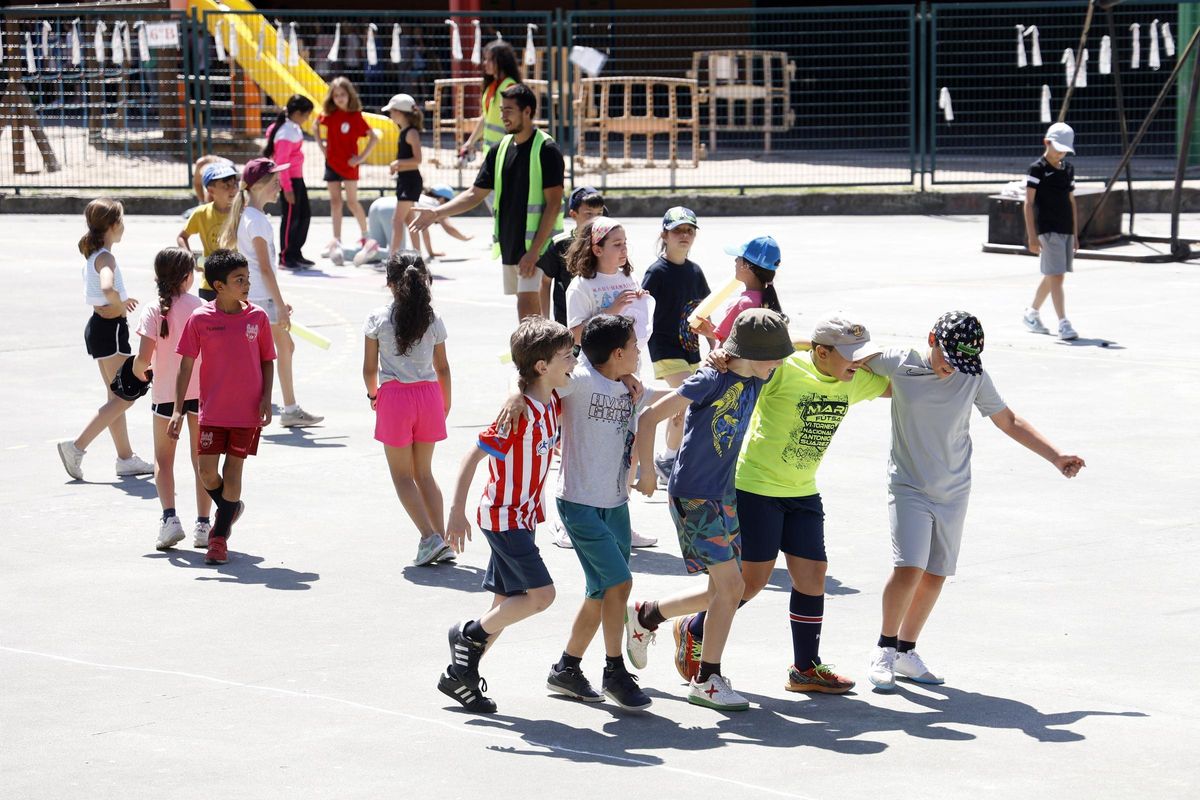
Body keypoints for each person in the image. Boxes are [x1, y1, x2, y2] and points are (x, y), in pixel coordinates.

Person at [640, 316, 889, 695]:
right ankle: (689, 627)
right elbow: (760, 345)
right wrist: (723, 353)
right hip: (753, 487)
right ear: (821, 351)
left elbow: (895, 382)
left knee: (813, 574)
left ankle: (804, 668)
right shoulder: (780, 370)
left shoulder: (852, 380)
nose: (858, 363)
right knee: (747, 584)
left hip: (802, 491)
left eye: (861, 357)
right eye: (850, 356)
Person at [865, 311, 1086, 690]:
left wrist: (1056, 456)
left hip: (953, 490)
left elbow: (1009, 421)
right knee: (909, 567)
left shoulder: (973, 376)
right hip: (909, 486)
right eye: (947, 358)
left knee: (936, 574)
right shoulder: (898, 360)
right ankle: (883, 649)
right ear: (931, 338)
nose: (952, 369)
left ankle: (906, 651)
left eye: (961, 362)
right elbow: (842, 361)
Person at [631, 310, 793, 712]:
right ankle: (707, 679)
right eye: (773, 357)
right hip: (694, 494)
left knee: (717, 590)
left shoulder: (757, 374)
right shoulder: (710, 379)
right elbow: (650, 416)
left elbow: (737, 349)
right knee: (732, 588)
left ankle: (648, 614)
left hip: (723, 493)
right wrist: (647, 470)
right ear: (751, 354)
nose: (778, 365)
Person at [437, 316, 575, 714]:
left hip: (525, 517)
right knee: (540, 597)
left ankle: (459, 676)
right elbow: (472, 456)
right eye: (567, 356)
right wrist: (456, 512)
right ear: (542, 367)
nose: (574, 361)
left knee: (505, 603)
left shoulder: (552, 398)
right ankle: (466, 635)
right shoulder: (519, 414)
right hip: (503, 517)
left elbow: (529, 375)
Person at [543, 315, 651, 710]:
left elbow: (670, 398)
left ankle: (566, 668)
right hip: (580, 504)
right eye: (636, 346)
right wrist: (511, 395)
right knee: (620, 584)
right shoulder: (580, 382)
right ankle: (614, 670)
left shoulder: (630, 387)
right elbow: (535, 380)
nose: (640, 352)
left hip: (616, 505)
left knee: (601, 592)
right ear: (618, 353)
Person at [410, 84, 564, 321]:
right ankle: (543, 353)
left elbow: (553, 204)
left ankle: (532, 357)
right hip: (512, 243)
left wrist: (533, 252)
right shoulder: (499, 150)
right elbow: (475, 194)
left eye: (509, 110)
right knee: (530, 312)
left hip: (539, 246)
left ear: (528, 111)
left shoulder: (546, 149)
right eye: (502, 110)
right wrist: (436, 213)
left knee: (527, 310)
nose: (503, 115)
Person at [169, 250, 277, 566]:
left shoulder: (257, 317)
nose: (246, 284)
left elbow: (267, 360)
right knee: (206, 472)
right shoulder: (200, 318)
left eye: (247, 278)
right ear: (219, 286)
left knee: (233, 472)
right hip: (212, 410)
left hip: (246, 413)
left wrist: (266, 398)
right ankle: (230, 507)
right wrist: (177, 409)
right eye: (238, 280)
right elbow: (185, 365)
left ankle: (218, 538)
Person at [362, 253, 455, 567]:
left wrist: (373, 394)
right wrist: (445, 401)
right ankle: (441, 539)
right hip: (429, 396)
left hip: (395, 398)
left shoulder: (378, 318)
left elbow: (368, 369)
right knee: (425, 474)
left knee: (402, 476)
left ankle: (429, 537)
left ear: (390, 284)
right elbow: (442, 367)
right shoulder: (432, 318)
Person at [219, 157, 324, 429]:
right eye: (275, 182)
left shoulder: (251, 217)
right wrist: (278, 303)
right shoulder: (257, 221)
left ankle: (283, 407)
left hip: (260, 297)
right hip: (262, 298)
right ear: (260, 186)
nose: (279, 186)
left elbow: (263, 268)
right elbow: (265, 269)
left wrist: (278, 300)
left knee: (282, 348)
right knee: (273, 352)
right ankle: (282, 408)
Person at [57, 199, 154, 481]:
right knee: (126, 395)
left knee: (116, 397)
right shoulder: (106, 258)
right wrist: (122, 301)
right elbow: (107, 286)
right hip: (110, 330)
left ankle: (125, 459)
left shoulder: (95, 254)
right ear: (113, 226)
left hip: (102, 328)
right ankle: (76, 447)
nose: (124, 226)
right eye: (121, 221)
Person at [133, 247, 213, 551]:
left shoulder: (154, 310)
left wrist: (143, 373)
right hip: (201, 395)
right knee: (201, 460)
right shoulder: (203, 306)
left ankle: (169, 520)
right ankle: (204, 525)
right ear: (188, 276)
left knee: (163, 461)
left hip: (166, 396)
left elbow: (142, 360)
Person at [642, 206, 712, 487]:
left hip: (690, 348)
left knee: (683, 407)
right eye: (678, 230)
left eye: (689, 230)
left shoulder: (695, 272)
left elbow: (706, 309)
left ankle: (669, 457)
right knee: (686, 398)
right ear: (665, 235)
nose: (684, 235)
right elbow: (642, 309)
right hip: (665, 348)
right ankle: (668, 460)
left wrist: (712, 340)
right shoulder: (657, 272)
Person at [1023, 122, 1079, 341]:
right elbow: (1028, 203)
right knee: (1056, 276)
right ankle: (1063, 322)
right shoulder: (1037, 169)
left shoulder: (1069, 169)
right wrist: (1032, 236)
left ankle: (1031, 313)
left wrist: (1075, 234)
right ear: (1046, 143)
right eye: (1058, 147)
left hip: (1065, 229)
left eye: (1065, 149)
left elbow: (1071, 201)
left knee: (1055, 276)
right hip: (1047, 230)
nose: (1061, 153)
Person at [564, 217, 651, 350]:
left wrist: (642, 301)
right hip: (597, 366)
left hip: (628, 362)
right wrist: (610, 312)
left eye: (625, 243)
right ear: (598, 250)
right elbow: (575, 335)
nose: (624, 249)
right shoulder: (581, 286)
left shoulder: (630, 278)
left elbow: (638, 322)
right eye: (617, 244)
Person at [314, 76, 379, 256]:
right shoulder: (329, 115)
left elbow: (373, 137)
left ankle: (366, 235)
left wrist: (360, 158)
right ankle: (336, 239)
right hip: (332, 163)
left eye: (343, 94)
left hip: (349, 165)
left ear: (349, 95)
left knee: (352, 201)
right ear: (332, 98)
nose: (340, 98)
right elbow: (315, 126)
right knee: (335, 202)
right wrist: (322, 147)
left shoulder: (355, 116)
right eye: (336, 96)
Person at [693, 235, 784, 344]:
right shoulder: (768, 302)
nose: (735, 260)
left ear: (746, 266)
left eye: (739, 257)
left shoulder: (741, 305)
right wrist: (716, 332)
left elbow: (727, 348)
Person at [347, 189, 472, 268]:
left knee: (371, 253)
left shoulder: (419, 196)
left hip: (378, 204)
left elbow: (424, 230)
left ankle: (342, 250)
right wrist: (465, 238)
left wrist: (431, 252)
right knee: (397, 254)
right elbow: (448, 228)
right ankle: (372, 249)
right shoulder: (435, 205)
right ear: (442, 199)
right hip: (392, 210)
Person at [538, 186, 607, 327]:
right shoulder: (561, 244)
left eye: (599, 213)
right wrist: (545, 320)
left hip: (602, 319)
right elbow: (545, 282)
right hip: (568, 322)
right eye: (589, 214)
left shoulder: (609, 241)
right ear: (573, 214)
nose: (595, 219)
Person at [264, 94, 316, 270]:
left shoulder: (292, 127)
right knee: (291, 219)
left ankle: (296, 253)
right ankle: (285, 256)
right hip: (290, 181)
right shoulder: (286, 132)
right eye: (306, 114)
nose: (307, 119)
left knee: (303, 216)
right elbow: (281, 162)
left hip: (297, 178)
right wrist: (287, 188)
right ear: (298, 113)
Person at [177, 162, 240, 301]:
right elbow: (182, 237)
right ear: (211, 191)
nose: (233, 190)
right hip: (209, 286)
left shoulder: (242, 213)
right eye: (226, 186)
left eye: (234, 184)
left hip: (237, 285)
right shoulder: (201, 213)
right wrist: (191, 259)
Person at [458, 39, 522, 163]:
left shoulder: (510, 88)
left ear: (501, 62)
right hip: (492, 153)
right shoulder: (492, 87)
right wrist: (470, 142)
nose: (485, 63)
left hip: (507, 154)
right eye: (485, 59)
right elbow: (486, 118)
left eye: (489, 59)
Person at [382, 93, 425, 256]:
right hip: (404, 179)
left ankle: (392, 260)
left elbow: (417, 159)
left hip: (410, 181)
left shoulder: (411, 133)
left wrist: (397, 163)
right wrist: (398, 166)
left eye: (392, 111)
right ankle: (417, 256)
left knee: (397, 220)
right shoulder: (404, 131)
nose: (391, 115)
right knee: (409, 220)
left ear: (400, 112)